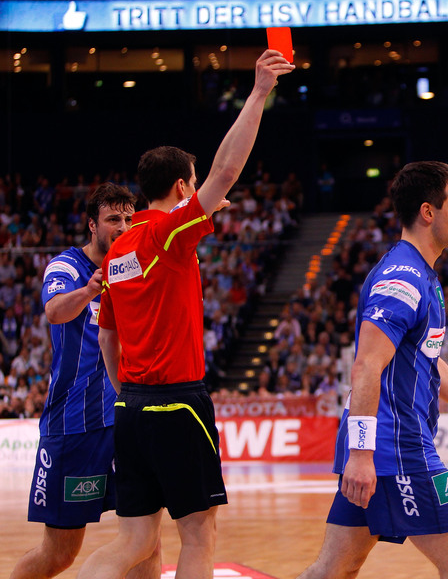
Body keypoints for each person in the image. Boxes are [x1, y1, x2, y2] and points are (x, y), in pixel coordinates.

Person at [76, 49, 294, 579]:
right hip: (178, 404)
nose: (199, 192)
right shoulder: (166, 234)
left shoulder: (120, 250)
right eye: (194, 185)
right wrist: (259, 92)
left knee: (133, 541)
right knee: (199, 535)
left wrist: (126, 390)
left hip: (131, 409)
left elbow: (106, 337)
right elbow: (227, 170)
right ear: (181, 188)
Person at [297, 161, 448, 579]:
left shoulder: (421, 274)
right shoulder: (401, 279)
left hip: (382, 447)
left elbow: (428, 362)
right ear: (428, 212)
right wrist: (361, 454)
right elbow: (366, 365)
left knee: (334, 570)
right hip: (395, 447)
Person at [10, 183, 160, 579]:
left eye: (128, 218)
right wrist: (89, 289)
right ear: (92, 224)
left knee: (147, 541)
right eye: (113, 219)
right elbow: (55, 312)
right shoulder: (66, 267)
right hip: (74, 428)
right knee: (59, 554)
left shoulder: (134, 266)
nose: (123, 227)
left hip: (127, 420)